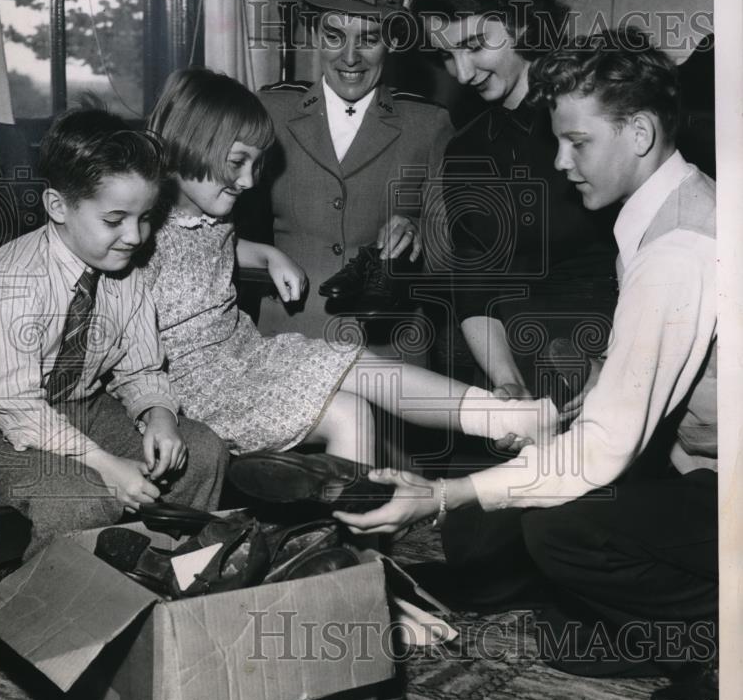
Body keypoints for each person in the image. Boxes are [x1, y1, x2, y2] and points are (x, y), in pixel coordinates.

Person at [335, 31, 719, 700]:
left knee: (561, 535)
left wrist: (441, 496)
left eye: (577, 142)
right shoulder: (677, 199)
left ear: (638, 133)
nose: (561, 161)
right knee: (572, 639)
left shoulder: (678, 250)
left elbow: (605, 453)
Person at [141, 67, 559, 470]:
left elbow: (213, 248)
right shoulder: (140, 230)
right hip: (195, 387)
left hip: (242, 354)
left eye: (255, 165)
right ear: (190, 144)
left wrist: (268, 255)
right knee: (348, 402)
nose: (249, 182)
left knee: (356, 381)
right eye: (237, 162)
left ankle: (505, 418)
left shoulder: (208, 211)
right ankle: (501, 423)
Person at [0, 109, 231, 561]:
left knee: (203, 451)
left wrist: (159, 413)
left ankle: (167, 578)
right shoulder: (13, 282)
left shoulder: (124, 271)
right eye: (115, 219)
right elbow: (18, 407)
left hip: (80, 404)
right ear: (57, 207)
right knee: (82, 497)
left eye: (145, 217)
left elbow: (141, 366)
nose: (134, 236)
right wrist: (104, 463)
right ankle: (55, 621)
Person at [411, 0, 618, 399]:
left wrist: (613, 366)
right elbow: (475, 286)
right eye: (447, 55)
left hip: (620, 345)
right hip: (523, 355)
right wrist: (506, 384)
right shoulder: (467, 149)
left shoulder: (599, 106)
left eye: (473, 45)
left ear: (520, 20)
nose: (461, 73)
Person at [242, 0, 456, 340]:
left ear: (391, 42)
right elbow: (221, 231)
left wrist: (418, 231)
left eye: (369, 39)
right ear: (313, 34)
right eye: (334, 35)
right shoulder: (270, 112)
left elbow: (452, 254)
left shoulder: (428, 124)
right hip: (288, 340)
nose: (350, 57)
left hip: (389, 343)